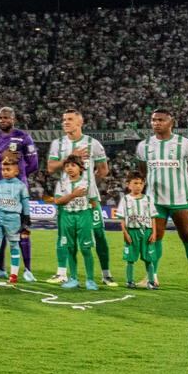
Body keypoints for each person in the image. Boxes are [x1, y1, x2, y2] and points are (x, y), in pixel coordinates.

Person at [134, 109, 188, 290]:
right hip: (155, 201)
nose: (156, 123)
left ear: (170, 122)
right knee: (154, 238)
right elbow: (143, 171)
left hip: (180, 200)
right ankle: (152, 277)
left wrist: (185, 187)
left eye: (160, 120)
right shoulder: (144, 145)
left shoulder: (185, 144)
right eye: (153, 120)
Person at [47, 109, 115, 286]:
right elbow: (51, 168)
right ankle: (62, 273)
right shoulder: (57, 144)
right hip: (65, 197)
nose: (65, 122)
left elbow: (103, 169)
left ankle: (106, 274)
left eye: (70, 119)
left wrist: (90, 183)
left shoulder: (94, 144)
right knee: (63, 236)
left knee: (99, 234)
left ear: (80, 122)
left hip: (89, 199)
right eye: (64, 119)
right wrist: (70, 158)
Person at [0, 107, 38, 276]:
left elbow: (34, 164)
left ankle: (27, 270)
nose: (3, 120)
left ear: (14, 119)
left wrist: (19, 175)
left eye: (6, 117)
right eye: (0, 118)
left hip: (18, 191)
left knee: (22, 229)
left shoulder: (23, 137)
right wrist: (0, 157)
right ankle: (1, 269)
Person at [53, 155, 96, 290]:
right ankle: (73, 279)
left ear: (81, 168)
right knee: (70, 248)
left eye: (73, 165)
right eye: (67, 166)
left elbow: (94, 202)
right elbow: (58, 201)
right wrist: (73, 195)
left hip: (83, 216)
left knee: (85, 248)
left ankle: (90, 280)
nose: (69, 168)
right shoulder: (61, 183)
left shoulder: (88, 182)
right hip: (67, 216)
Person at [0, 152, 30, 284]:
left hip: (14, 219)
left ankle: (14, 275)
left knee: (14, 245)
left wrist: (26, 219)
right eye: (3, 169)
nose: (5, 172)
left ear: (16, 171)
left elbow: (25, 203)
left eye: (8, 169)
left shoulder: (21, 186)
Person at [119, 170, 156, 289]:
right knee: (130, 258)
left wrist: (154, 233)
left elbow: (153, 217)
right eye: (135, 183)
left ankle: (151, 282)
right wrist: (125, 233)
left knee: (149, 258)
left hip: (147, 231)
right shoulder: (125, 199)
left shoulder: (148, 199)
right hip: (132, 231)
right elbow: (122, 219)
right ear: (129, 184)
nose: (138, 186)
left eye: (140, 183)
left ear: (143, 185)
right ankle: (130, 281)